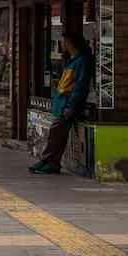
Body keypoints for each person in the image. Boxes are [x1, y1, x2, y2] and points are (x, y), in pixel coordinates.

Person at [30, 33, 93, 175]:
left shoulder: (81, 61)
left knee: (56, 132)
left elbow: (80, 86)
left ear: (71, 43)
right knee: (57, 134)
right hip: (61, 104)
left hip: (68, 105)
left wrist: (71, 106)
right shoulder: (71, 61)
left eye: (64, 41)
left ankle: (48, 161)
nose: (62, 44)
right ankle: (49, 162)